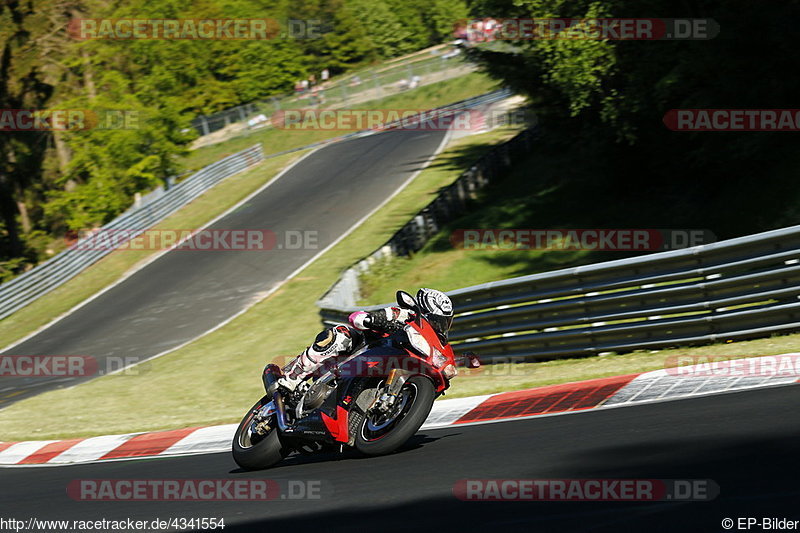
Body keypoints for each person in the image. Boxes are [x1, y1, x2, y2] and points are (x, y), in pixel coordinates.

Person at [277, 288, 454, 392]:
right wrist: (370, 319)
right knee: (341, 335)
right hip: (365, 351)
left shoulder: (437, 343)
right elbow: (359, 318)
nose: (438, 326)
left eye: (443, 323)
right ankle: (292, 376)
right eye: (436, 320)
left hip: (392, 365)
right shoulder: (405, 315)